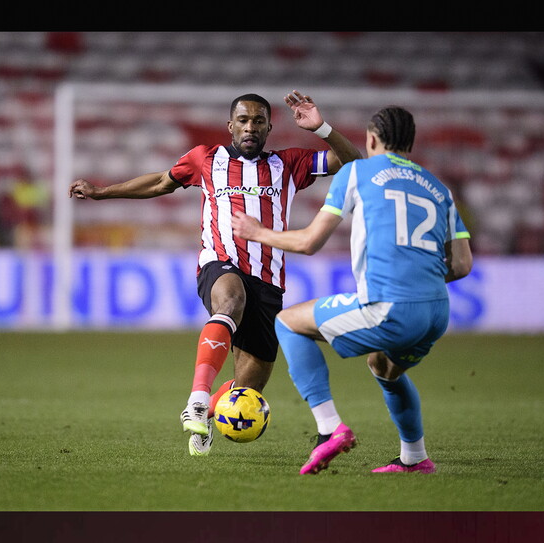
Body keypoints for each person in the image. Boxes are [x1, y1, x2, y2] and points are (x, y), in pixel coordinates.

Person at [69, 91, 361, 457]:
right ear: (230, 126)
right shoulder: (205, 159)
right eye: (243, 121)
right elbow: (161, 182)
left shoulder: (289, 164)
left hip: (269, 281)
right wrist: (102, 192)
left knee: (247, 390)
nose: (250, 127)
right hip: (219, 264)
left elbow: (354, 161)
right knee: (231, 298)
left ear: (270, 127)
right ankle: (197, 398)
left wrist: (321, 127)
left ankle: (206, 414)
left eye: (258, 121)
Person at [231, 106, 473, 474]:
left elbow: (310, 241)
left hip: (389, 305)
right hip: (436, 312)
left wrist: (258, 232)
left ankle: (329, 429)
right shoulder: (440, 189)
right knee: (383, 366)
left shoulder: (358, 173)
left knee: (289, 323)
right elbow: (461, 265)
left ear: (371, 139)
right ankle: (415, 459)